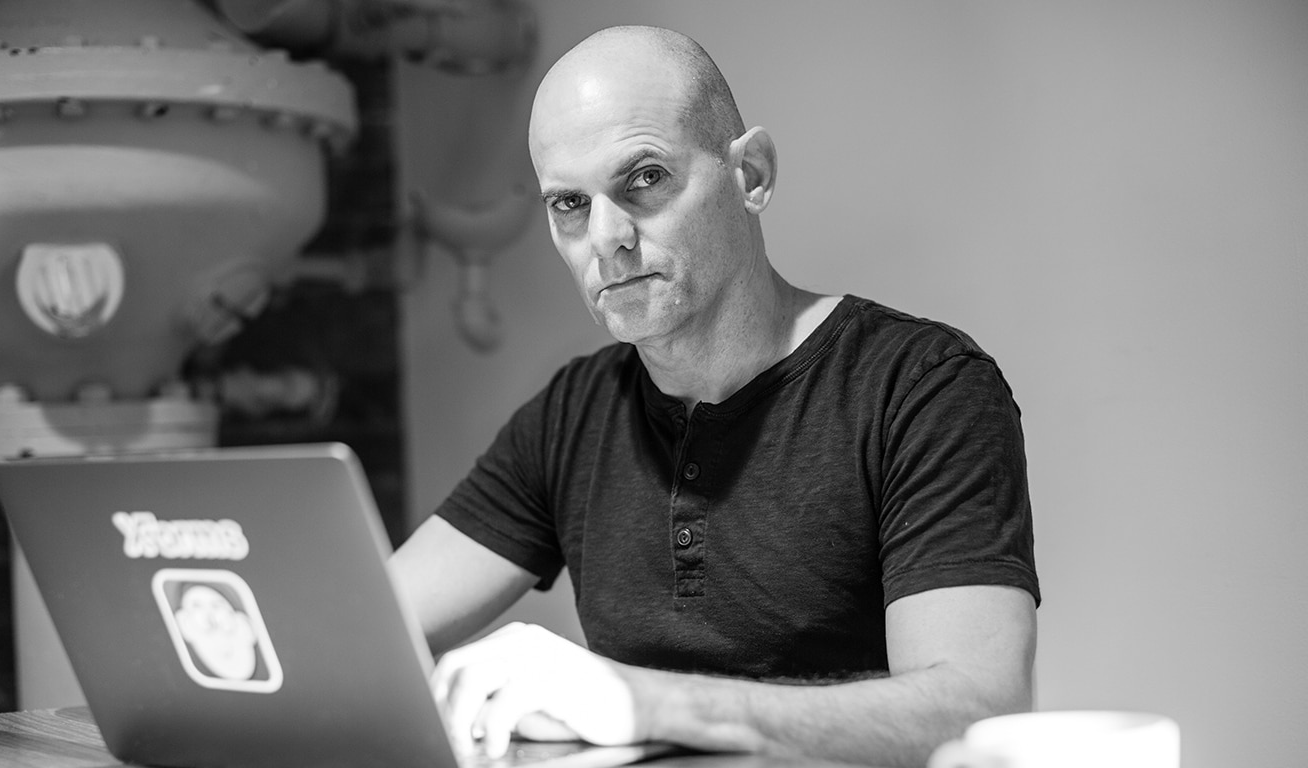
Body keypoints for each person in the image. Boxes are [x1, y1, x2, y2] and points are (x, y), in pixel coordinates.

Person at [388, 24, 1039, 768]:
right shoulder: (574, 414)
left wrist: (644, 700)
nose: (606, 239)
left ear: (750, 174)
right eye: (569, 205)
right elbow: (359, 631)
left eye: (643, 179)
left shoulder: (920, 386)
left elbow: (979, 709)